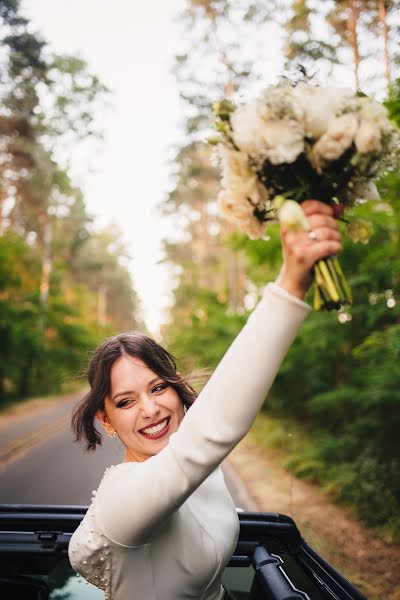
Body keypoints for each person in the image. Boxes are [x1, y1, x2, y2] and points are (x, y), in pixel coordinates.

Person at [69, 200, 342, 599]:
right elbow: (207, 435)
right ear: (106, 420)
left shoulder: (201, 471)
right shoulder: (121, 500)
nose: (151, 409)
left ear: (177, 391)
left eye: (158, 387)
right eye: (125, 402)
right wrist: (290, 285)